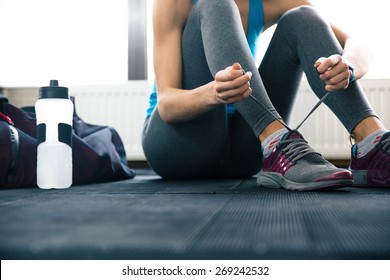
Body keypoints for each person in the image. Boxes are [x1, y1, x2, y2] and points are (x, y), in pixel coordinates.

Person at [142, 0, 390, 190]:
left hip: (243, 153)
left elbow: (357, 41)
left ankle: (371, 143)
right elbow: (167, 105)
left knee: (304, 17)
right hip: (177, 144)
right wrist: (213, 94)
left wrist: (349, 65)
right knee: (216, 1)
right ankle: (276, 142)